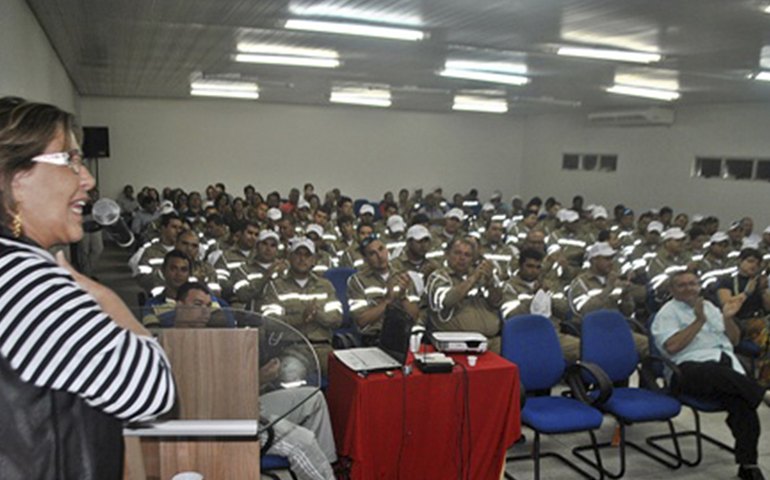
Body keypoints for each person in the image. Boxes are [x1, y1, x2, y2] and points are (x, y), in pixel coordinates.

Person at [0, 96, 175, 478]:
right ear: (17, 179)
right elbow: (151, 390)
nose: (88, 179)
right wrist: (106, 297)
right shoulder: (25, 281)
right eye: (70, 160)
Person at [652, 271, 768, 480]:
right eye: (682, 285)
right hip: (687, 370)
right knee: (716, 373)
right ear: (672, 290)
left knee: (744, 406)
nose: (689, 288)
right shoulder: (667, 313)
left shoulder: (710, 306)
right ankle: (761, 393)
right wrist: (698, 321)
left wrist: (727, 318)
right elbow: (672, 347)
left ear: (699, 286)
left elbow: (732, 341)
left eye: (693, 284)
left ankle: (748, 464)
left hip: (722, 369)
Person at [425, 237, 504, 353]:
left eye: (467, 255)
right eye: (457, 253)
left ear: (472, 259)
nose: (462, 258)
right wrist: (473, 278)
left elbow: (497, 302)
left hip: (491, 341)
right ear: (447, 254)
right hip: (457, 345)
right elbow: (447, 300)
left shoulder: (481, 276)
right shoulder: (438, 277)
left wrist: (490, 282)